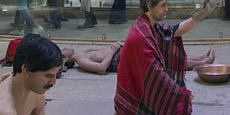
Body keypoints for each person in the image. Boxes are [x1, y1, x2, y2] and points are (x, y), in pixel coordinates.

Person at [114, 0, 217, 115]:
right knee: (176, 111)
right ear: (150, 6)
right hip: (131, 102)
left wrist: (200, 14)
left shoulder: (146, 24)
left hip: (133, 88)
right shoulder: (141, 35)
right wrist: (180, 94)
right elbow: (155, 73)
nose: (166, 9)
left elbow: (173, 31)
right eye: (163, 5)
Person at [63, 42, 215, 75]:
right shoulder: (81, 62)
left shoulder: (83, 53)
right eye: (62, 52)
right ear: (65, 59)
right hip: (121, 60)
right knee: (162, 61)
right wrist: (114, 50)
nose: (64, 49)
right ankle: (201, 63)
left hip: (121, 53)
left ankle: (199, 59)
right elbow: (102, 68)